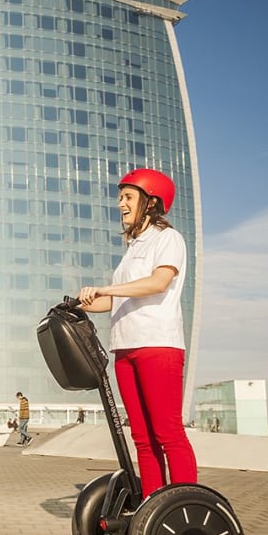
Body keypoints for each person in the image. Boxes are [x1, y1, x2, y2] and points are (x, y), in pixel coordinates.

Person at [77, 168, 197, 499]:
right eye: (120, 198)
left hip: (157, 344)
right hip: (125, 347)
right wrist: (80, 304)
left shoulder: (167, 238)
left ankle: (185, 502)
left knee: (167, 432)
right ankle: (152, 503)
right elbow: (116, 300)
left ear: (151, 201)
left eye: (128, 197)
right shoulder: (133, 247)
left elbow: (158, 282)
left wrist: (106, 288)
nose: (121, 204)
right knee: (142, 438)